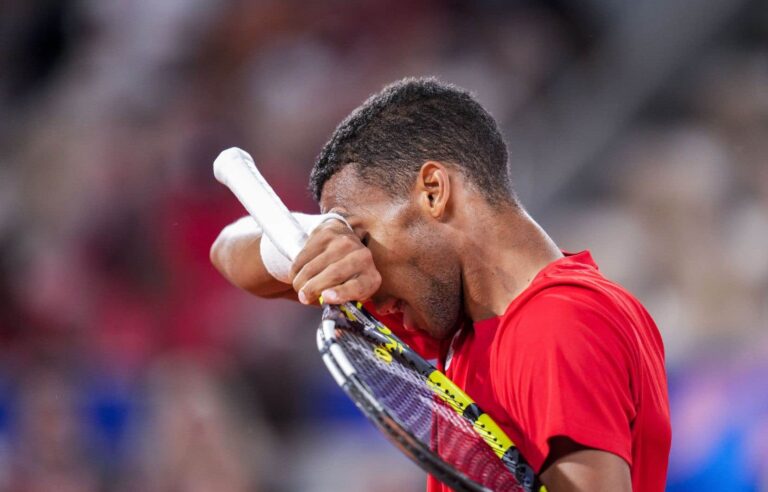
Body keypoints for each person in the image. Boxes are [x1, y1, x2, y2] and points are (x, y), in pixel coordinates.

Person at [210, 78, 671, 492]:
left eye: (361, 235)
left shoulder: (555, 324)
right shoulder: (460, 320)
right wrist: (317, 238)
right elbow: (228, 251)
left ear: (433, 190)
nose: (358, 259)